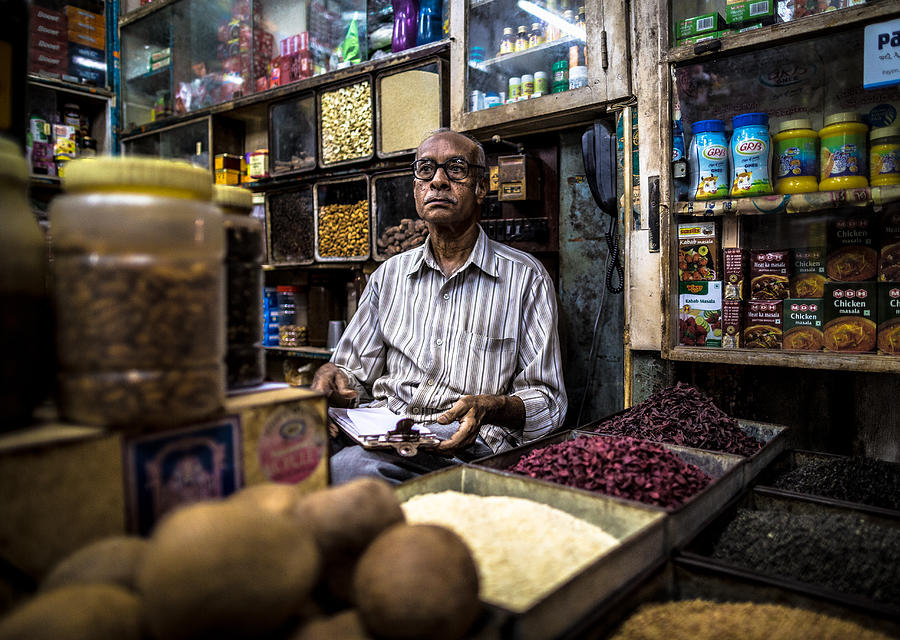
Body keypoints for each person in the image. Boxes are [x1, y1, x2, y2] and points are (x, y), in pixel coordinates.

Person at [311, 128, 567, 484]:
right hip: (382, 428)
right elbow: (353, 376)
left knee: (352, 470)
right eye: (425, 169)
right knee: (287, 443)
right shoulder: (389, 276)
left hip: (463, 447)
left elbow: (550, 403)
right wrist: (333, 377)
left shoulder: (525, 278)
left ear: (482, 188)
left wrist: (492, 407)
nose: (438, 181)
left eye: (456, 169)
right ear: (415, 187)